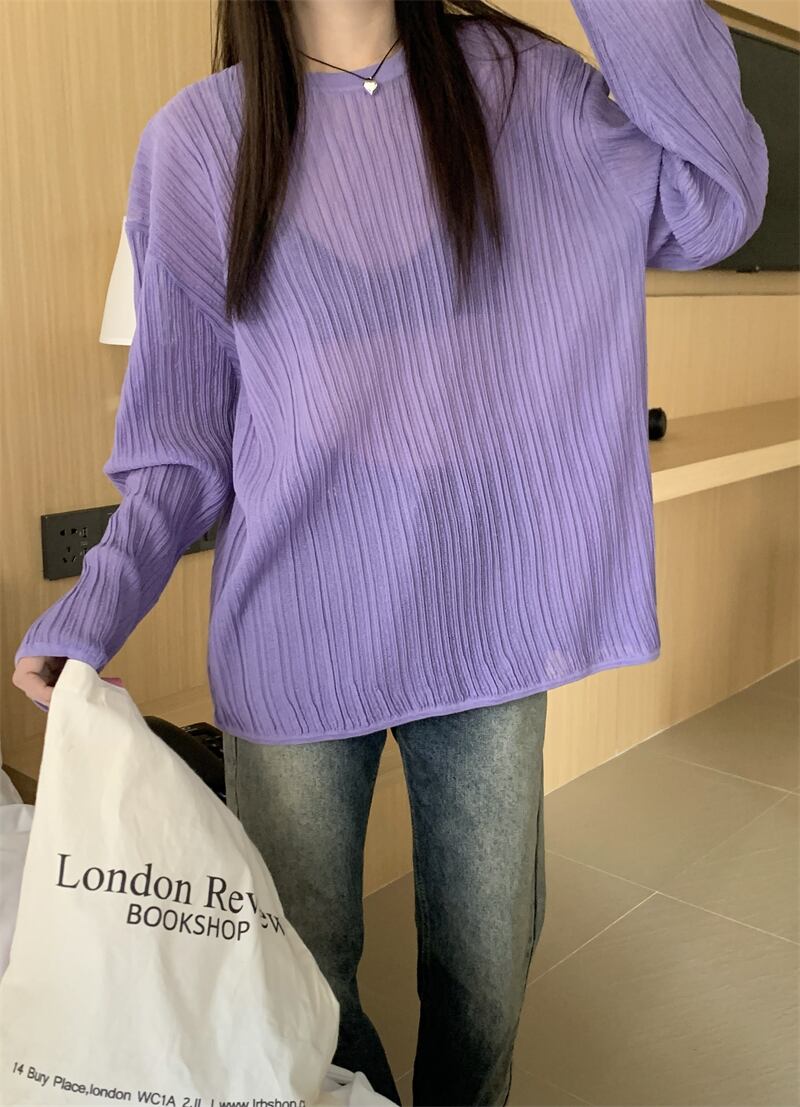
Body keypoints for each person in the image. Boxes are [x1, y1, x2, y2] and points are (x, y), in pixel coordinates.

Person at [12, 0, 767, 1103]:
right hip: (295, 630)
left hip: (488, 620)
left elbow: (715, 201)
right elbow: (180, 443)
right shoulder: (199, 141)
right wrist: (93, 609)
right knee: (302, 986)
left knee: (486, 975)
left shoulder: (525, 84)